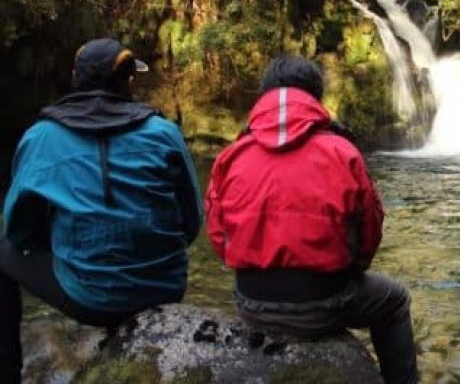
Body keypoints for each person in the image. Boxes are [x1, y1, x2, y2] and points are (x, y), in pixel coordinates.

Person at [0, 38, 202, 384]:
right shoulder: (165, 133)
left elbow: (19, 230)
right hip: (165, 287)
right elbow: (192, 221)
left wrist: (64, 242)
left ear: (74, 77)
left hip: (87, 298)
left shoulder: (41, 137)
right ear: (129, 82)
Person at [206, 56, 418, 384]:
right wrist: (352, 269)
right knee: (395, 300)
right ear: (315, 98)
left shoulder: (231, 156)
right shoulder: (342, 152)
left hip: (252, 304)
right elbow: (369, 230)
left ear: (264, 98)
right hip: (325, 304)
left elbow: (218, 235)